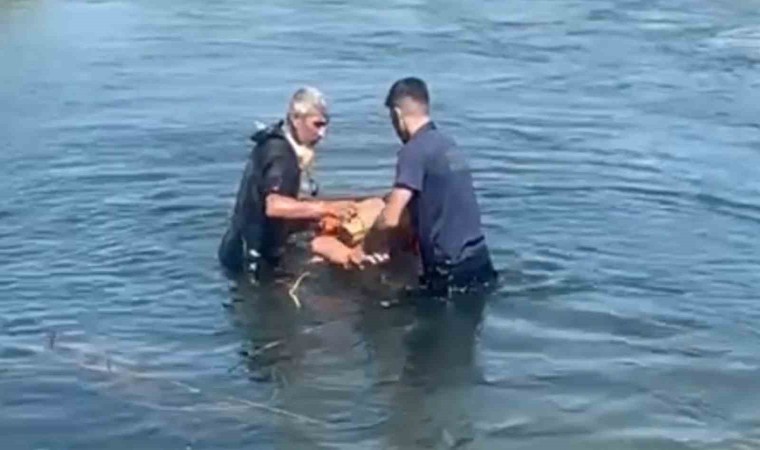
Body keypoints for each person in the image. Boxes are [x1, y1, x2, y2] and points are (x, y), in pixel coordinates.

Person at [357, 77, 497, 298]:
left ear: (397, 114)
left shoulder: (413, 150)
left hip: (448, 268)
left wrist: (366, 246)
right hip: (479, 259)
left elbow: (390, 218)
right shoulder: (446, 144)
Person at [218, 87, 354, 282]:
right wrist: (326, 208)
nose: (322, 134)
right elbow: (275, 205)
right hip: (251, 261)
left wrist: (314, 217)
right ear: (296, 119)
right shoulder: (281, 155)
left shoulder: (273, 140)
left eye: (325, 126)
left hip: (237, 248)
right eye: (317, 125)